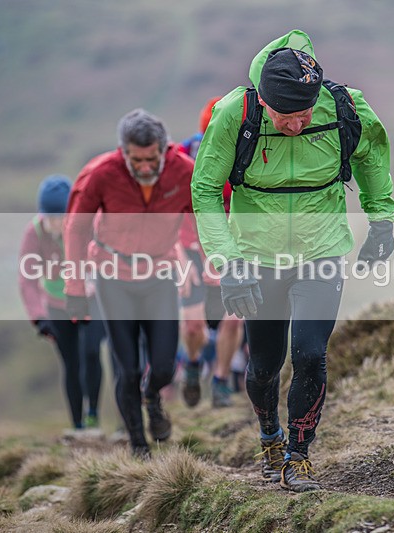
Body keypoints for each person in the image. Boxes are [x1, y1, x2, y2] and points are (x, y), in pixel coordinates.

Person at [191, 30, 394, 492]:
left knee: (310, 354)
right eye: (286, 117)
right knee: (264, 365)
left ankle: (298, 455)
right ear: (263, 102)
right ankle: (269, 434)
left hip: (321, 249)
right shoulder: (233, 114)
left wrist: (382, 220)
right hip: (257, 256)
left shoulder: (344, 106)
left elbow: (372, 154)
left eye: (305, 114)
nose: (297, 126)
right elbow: (204, 190)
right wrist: (228, 262)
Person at [63, 109, 194, 458]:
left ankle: (152, 398)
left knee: (164, 365)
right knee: (127, 368)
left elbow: (201, 219)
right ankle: (138, 444)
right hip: (112, 278)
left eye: (152, 159)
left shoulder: (184, 172)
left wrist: (212, 264)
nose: (146, 167)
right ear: (124, 152)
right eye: (137, 160)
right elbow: (76, 228)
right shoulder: (103, 173)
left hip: (159, 275)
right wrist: (75, 288)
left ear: (163, 150)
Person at [18, 175, 107, 431]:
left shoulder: (88, 223)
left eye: (62, 216)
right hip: (57, 305)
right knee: (71, 362)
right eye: (51, 218)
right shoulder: (34, 232)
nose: (56, 223)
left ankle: (93, 413)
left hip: (91, 300)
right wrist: (38, 317)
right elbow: (27, 277)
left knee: (91, 352)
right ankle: (77, 423)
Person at [177, 96, 245, 409]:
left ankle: (219, 383)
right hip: (190, 247)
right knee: (194, 327)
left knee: (234, 321)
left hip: (231, 248)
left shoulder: (247, 154)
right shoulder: (182, 157)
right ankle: (191, 364)